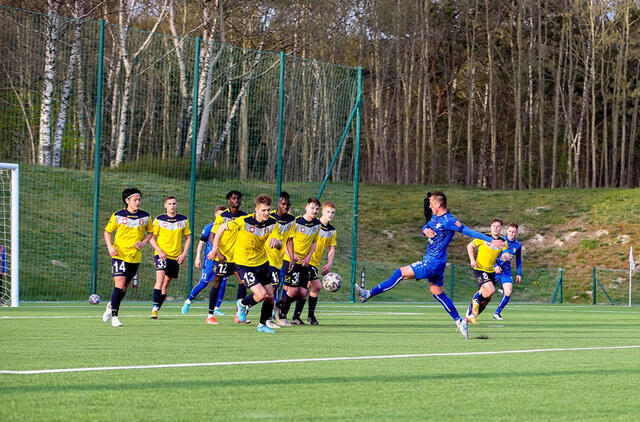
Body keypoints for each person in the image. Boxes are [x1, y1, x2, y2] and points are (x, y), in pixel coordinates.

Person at [355, 192, 505, 340]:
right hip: (436, 263)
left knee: (399, 273)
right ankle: (460, 321)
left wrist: (490, 240)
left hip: (432, 262)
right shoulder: (435, 217)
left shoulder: (449, 219)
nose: (429, 205)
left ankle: (368, 294)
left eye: (431, 203)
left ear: (438, 205)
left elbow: (467, 230)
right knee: (438, 293)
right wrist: (424, 231)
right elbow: (425, 227)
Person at [207, 194, 282, 333]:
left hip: (262, 263)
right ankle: (242, 304)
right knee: (260, 295)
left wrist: (276, 242)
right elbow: (221, 228)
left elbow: (280, 243)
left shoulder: (272, 223)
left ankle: (262, 325)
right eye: (263, 210)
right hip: (243, 263)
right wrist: (215, 248)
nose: (266, 213)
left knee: (270, 296)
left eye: (268, 210)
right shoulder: (244, 221)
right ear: (256, 209)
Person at [102, 188, 153, 327]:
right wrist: (110, 248)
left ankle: (111, 305)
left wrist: (143, 243)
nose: (138, 202)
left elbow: (150, 233)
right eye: (135, 200)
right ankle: (115, 317)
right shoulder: (118, 215)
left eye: (139, 199)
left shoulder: (145, 216)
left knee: (124, 287)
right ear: (127, 201)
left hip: (134, 257)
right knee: (119, 284)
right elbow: (107, 232)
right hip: (119, 255)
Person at [275, 198, 321, 326]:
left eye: (317, 208)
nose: (314, 211)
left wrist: (309, 256)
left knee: (303, 292)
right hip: (291, 260)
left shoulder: (317, 224)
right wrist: (291, 254)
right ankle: (281, 312)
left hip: (304, 262)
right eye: (312, 207)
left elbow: (314, 242)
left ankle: (295, 317)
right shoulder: (296, 222)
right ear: (306, 207)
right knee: (293, 291)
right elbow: (287, 239)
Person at [148, 196, 192, 319]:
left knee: (165, 283)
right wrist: (159, 250)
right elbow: (151, 237)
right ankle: (154, 309)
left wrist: (184, 253)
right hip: (161, 255)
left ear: (176, 205)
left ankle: (157, 308)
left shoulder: (183, 219)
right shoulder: (159, 220)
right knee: (160, 280)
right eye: (169, 204)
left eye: (174, 203)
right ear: (165, 205)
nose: (172, 206)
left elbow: (188, 237)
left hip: (175, 257)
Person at [182, 205, 228, 318]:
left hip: (222, 259)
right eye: (219, 214)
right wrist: (198, 257)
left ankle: (217, 308)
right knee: (203, 283)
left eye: (223, 214)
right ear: (215, 214)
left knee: (222, 283)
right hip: (210, 259)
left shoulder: (228, 227)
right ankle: (188, 301)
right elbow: (202, 243)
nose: (220, 216)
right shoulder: (210, 227)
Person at [296, 201, 337, 325]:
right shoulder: (314, 225)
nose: (330, 214)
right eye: (328, 212)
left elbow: (332, 248)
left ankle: (296, 316)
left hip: (315, 263)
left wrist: (329, 263)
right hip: (307, 260)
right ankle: (309, 316)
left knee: (306, 289)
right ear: (322, 212)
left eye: (333, 213)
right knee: (316, 287)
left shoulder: (332, 230)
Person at [465, 218, 510, 325]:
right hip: (480, 269)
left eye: (498, 226)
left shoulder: (503, 241)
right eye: (494, 226)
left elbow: (506, 253)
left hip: (491, 271)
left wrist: (506, 256)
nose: (496, 228)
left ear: (501, 228)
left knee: (487, 298)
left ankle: (472, 316)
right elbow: (470, 246)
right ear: (491, 227)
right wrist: (472, 260)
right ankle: (475, 302)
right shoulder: (484, 237)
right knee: (490, 290)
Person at [265, 191, 296, 327]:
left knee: (275, 288)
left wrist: (291, 258)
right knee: (272, 287)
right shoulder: (269, 216)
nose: (286, 206)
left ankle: (245, 305)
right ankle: (271, 317)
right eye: (283, 204)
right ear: (278, 204)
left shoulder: (291, 219)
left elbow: (289, 239)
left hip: (280, 259)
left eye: (288, 204)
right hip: (266, 258)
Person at [492, 223, 522, 320]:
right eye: (509, 231)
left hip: (506, 271)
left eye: (513, 232)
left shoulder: (518, 245)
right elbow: (491, 255)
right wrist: (495, 265)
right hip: (494, 269)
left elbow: (518, 259)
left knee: (508, 291)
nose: (511, 234)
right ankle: (472, 311)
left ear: (516, 233)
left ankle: (497, 313)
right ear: (506, 231)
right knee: (485, 293)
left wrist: (518, 273)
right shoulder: (501, 241)